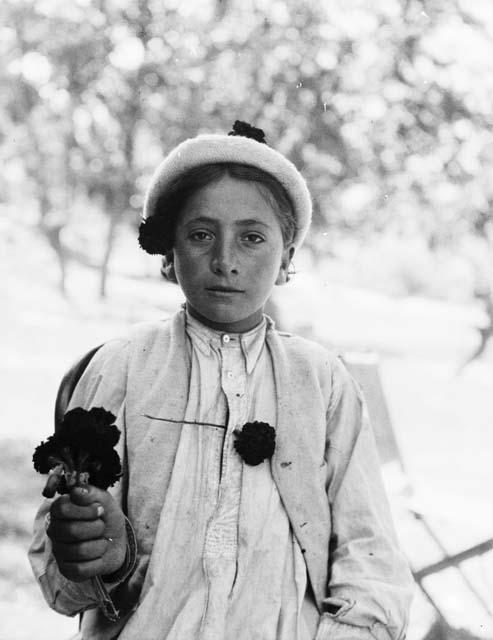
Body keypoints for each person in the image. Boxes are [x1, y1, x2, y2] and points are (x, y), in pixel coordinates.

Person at [29, 121, 414, 640]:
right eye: (201, 235)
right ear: (169, 256)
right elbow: (62, 583)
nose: (226, 260)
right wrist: (103, 555)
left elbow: (371, 563)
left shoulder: (322, 382)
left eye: (252, 238)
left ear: (286, 260)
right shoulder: (122, 366)